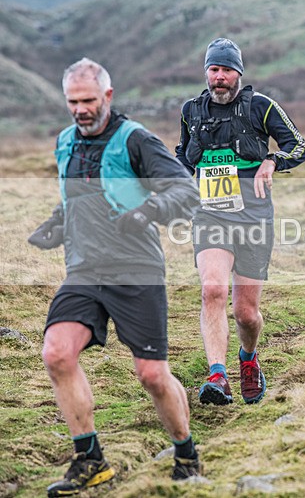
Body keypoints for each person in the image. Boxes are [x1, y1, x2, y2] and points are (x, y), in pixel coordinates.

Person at [28, 58, 201, 496]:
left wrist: (147, 211)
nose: (80, 109)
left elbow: (185, 189)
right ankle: (90, 461)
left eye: (88, 100)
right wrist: (56, 223)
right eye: (72, 101)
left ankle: (186, 454)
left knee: (152, 375)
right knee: (57, 354)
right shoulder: (66, 142)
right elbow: (75, 196)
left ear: (107, 96)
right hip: (84, 268)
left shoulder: (135, 140)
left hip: (136, 270)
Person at [175, 38, 305, 405]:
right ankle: (217, 375)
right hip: (210, 214)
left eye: (226, 70)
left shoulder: (260, 107)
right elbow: (184, 155)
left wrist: (273, 161)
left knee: (245, 313)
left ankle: (248, 358)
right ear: (206, 72)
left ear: (239, 73)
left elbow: (300, 146)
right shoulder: (191, 111)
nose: (219, 77)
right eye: (213, 70)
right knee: (212, 289)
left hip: (253, 218)